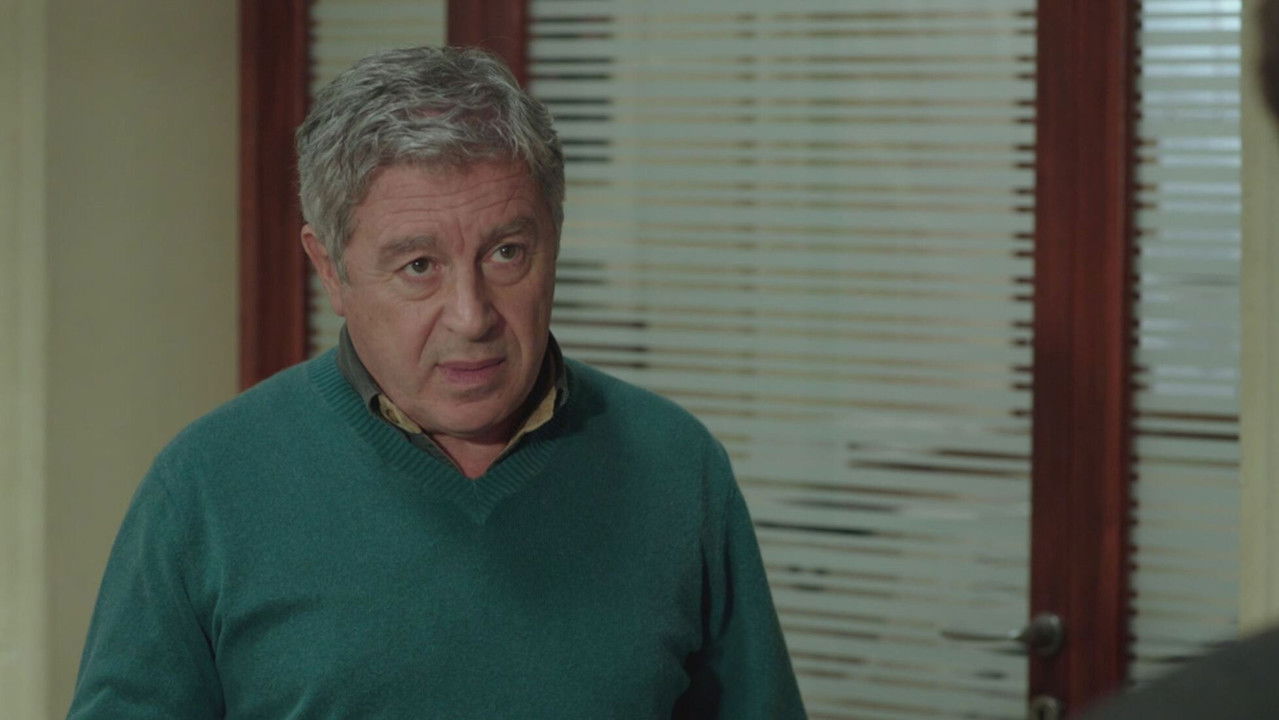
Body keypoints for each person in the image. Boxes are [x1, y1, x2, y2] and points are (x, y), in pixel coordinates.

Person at [66, 47, 805, 719]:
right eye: (419, 266)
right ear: (330, 270)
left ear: (554, 238)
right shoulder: (206, 487)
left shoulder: (676, 467)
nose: (471, 315)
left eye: (507, 252)